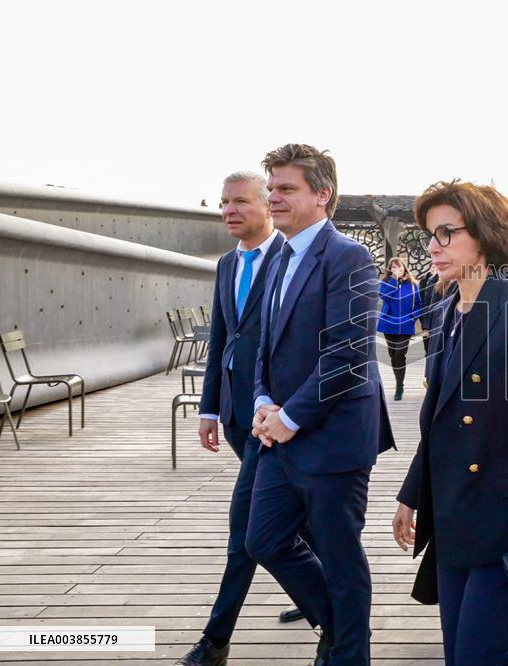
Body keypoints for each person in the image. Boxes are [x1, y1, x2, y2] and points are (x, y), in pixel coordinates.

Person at [392, 180, 508, 666]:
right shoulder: (446, 310)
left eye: (446, 232)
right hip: (454, 516)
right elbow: (438, 419)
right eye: (430, 234)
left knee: (477, 656)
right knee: (463, 657)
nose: (432, 245)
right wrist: (411, 495)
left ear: (486, 234)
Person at [246, 143, 395, 666]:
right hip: (278, 430)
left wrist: (290, 416)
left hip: (333, 435)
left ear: (323, 195)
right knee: (263, 540)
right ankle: (339, 629)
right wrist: (264, 400)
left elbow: (350, 351)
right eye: (272, 188)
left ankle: (349, 655)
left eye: (286, 189)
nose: (274, 198)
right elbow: (264, 341)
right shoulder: (277, 255)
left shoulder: (350, 257)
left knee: (339, 555)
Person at [177, 172, 300, 666]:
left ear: (268, 206)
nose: (229, 209)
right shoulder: (227, 263)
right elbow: (222, 340)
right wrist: (210, 407)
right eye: (224, 202)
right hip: (234, 415)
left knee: (245, 529)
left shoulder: (289, 258)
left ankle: (216, 639)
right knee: (292, 523)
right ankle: (328, 611)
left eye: (241, 201)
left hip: (271, 418)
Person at [378, 256, 421, 401]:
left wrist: (412, 317)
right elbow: (385, 297)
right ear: (390, 270)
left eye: (400, 266)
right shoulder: (386, 283)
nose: (398, 269)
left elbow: (419, 305)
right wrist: (394, 280)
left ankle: (399, 386)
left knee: (399, 354)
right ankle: (398, 381)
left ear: (404, 267)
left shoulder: (413, 285)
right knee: (392, 355)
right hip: (389, 324)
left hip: (405, 325)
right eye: (394, 267)